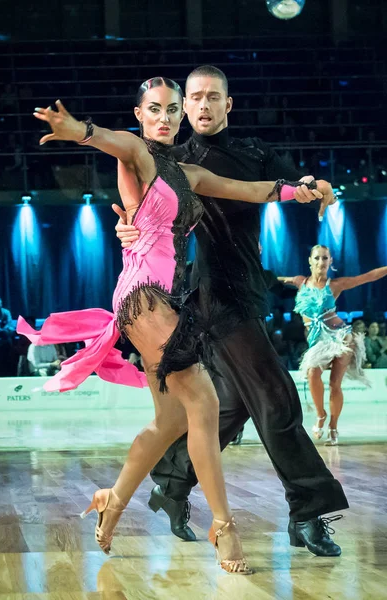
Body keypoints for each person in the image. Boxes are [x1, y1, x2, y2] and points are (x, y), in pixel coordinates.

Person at [18, 77, 332, 573]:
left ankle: (112, 501)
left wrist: (299, 191)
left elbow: (249, 189)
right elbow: (108, 139)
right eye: (154, 110)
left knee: (170, 421)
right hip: (142, 296)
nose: (164, 119)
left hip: (167, 297)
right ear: (139, 115)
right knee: (204, 401)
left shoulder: (187, 172)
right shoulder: (137, 156)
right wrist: (76, 128)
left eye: (170, 111)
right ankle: (224, 530)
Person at [115, 65, 348, 558]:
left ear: (227, 105)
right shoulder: (175, 161)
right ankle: (309, 511)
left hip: (248, 288)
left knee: (232, 405)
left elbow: (291, 180)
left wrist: (316, 185)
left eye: (210, 97)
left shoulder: (253, 152)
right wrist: (127, 230)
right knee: (276, 395)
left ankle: (172, 483)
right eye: (192, 98)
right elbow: (136, 205)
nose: (199, 106)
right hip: (210, 295)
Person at [280, 244, 387, 445]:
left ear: (331, 262)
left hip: (339, 338)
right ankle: (321, 415)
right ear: (310, 261)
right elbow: (271, 280)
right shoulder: (300, 282)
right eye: (317, 258)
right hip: (316, 340)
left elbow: (368, 277)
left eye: (325, 258)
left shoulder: (335, 285)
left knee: (334, 384)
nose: (321, 262)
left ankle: (333, 426)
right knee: (313, 374)